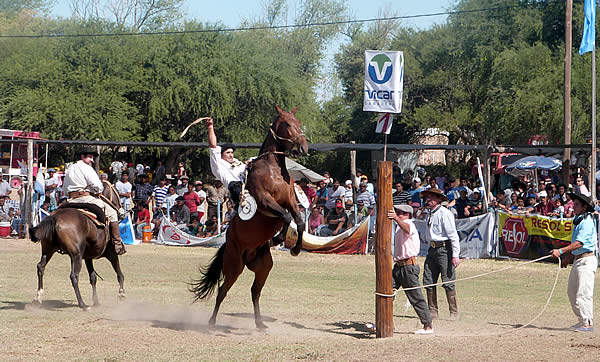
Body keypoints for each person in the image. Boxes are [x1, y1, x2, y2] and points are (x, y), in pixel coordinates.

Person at [62, 148, 125, 255]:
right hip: (85, 198)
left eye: (92, 157)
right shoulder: (86, 168)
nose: (92, 160)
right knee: (113, 213)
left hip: (70, 199)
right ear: (82, 157)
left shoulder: (70, 168)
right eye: (90, 157)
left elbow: (64, 188)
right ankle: (117, 243)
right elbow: (98, 187)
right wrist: (96, 190)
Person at [550, 192, 597, 332]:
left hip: (587, 260)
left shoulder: (587, 221)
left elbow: (579, 243)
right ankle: (582, 319)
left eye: (576, 204)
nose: (573, 206)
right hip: (578, 259)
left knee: (584, 292)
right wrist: (568, 257)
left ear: (584, 207)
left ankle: (587, 322)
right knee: (572, 292)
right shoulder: (579, 220)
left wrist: (561, 251)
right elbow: (575, 243)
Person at [387, 204, 433, 334]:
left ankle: (428, 325)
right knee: (387, 292)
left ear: (407, 214)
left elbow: (407, 229)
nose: (397, 214)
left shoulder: (409, 223)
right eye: (397, 212)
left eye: (400, 212)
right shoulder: (398, 225)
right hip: (398, 266)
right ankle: (385, 322)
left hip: (409, 267)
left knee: (415, 297)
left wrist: (396, 218)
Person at [420, 188, 460, 320]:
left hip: (444, 249)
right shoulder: (429, 214)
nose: (428, 200)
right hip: (432, 249)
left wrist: (455, 255)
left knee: (448, 281)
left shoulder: (445, 213)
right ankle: (432, 311)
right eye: (427, 197)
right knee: (428, 280)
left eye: (431, 197)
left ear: (438, 199)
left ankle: (453, 312)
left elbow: (453, 235)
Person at [204, 117, 246, 206]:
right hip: (235, 189)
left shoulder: (237, 162)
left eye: (232, 152)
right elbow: (212, 145)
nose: (231, 155)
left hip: (248, 187)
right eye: (228, 153)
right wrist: (210, 127)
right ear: (222, 154)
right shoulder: (219, 165)